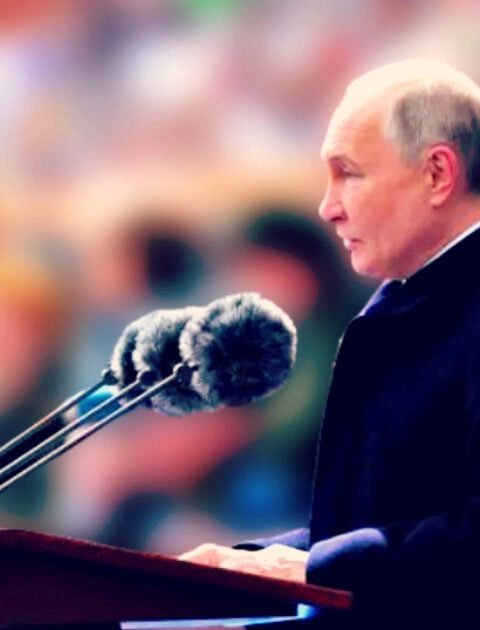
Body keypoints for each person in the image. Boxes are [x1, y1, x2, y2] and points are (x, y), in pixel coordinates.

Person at [179, 59, 480, 629]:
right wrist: (244, 563)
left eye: (349, 174)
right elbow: (376, 523)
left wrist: (319, 567)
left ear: (438, 174)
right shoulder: (410, 301)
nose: (328, 207)